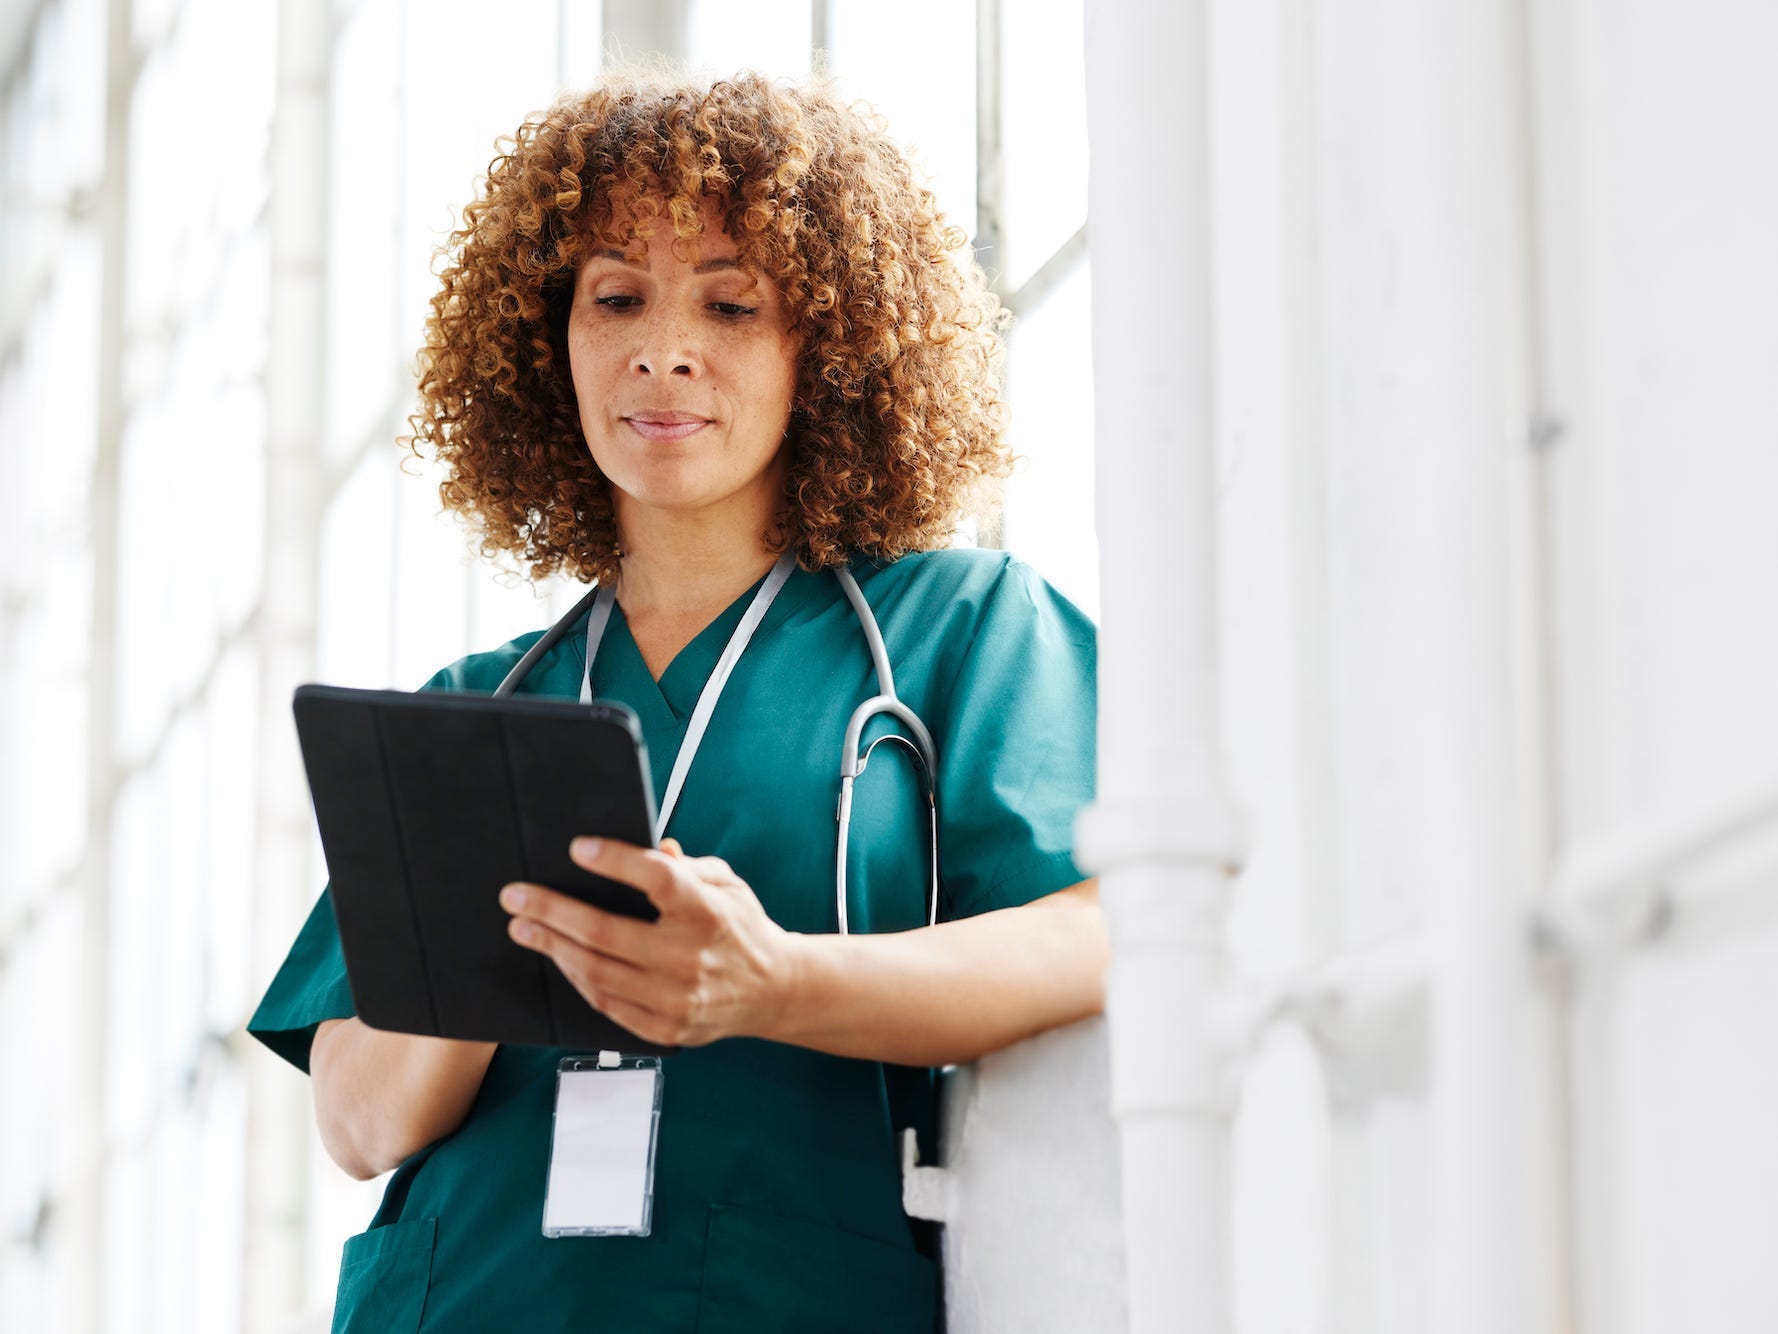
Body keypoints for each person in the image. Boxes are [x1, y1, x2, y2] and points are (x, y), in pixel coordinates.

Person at [249, 67, 1105, 1333]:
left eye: (729, 300)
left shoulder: (954, 632)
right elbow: (361, 1119)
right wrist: (503, 935)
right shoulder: (479, 708)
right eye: (614, 297)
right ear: (551, 344)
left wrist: (776, 982)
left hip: (786, 1291)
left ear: (830, 343)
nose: (663, 346)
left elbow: (1102, 926)